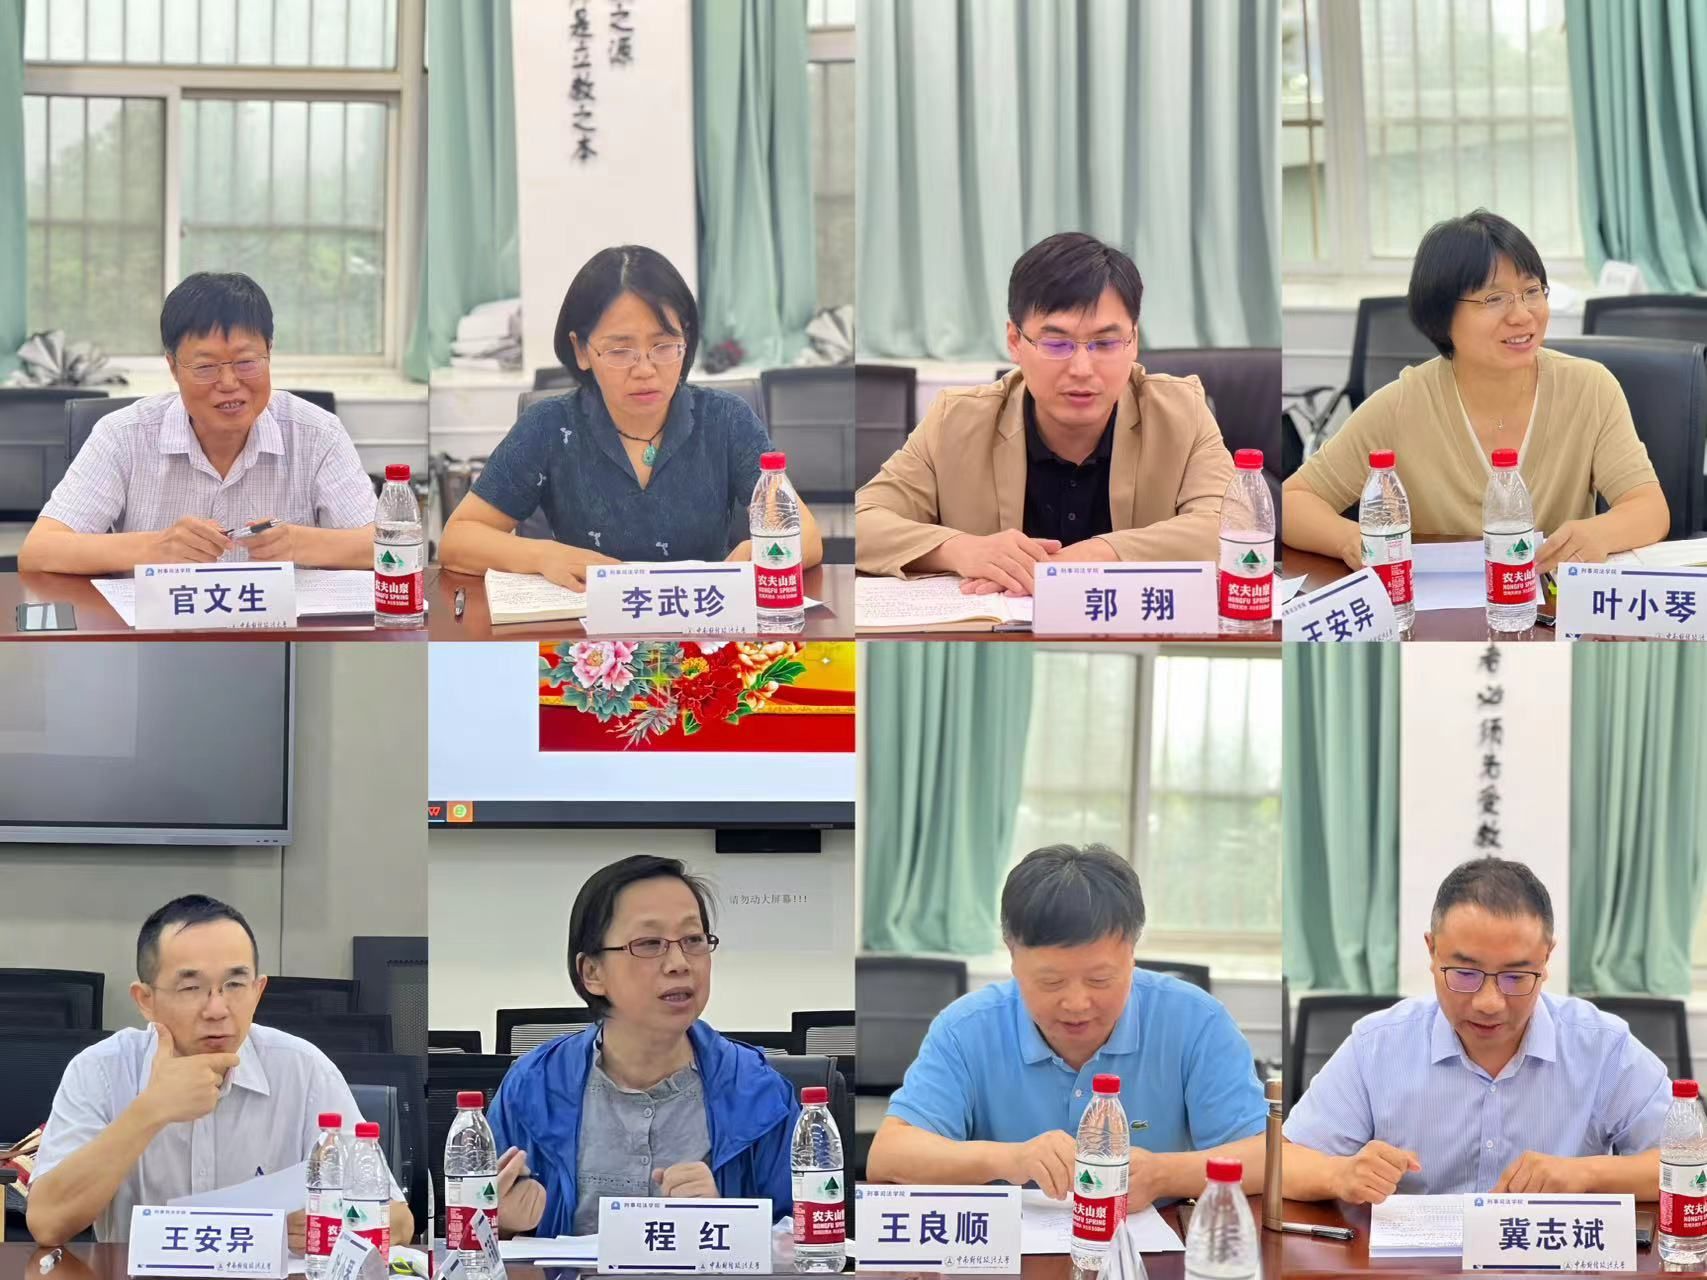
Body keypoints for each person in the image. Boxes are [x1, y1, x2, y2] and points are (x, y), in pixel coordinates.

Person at [865, 844, 1266, 1205]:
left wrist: (1163, 1175)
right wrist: (1010, 1159)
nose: (1077, 1004)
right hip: (1009, 1251)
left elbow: (1267, 1157)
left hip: (1149, 1248)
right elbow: (889, 1156)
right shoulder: (965, 1029)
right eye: (1051, 982)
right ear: (1012, 955)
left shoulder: (1196, 1022)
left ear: (1132, 952)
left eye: (1100, 980)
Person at [1282, 210, 1670, 575]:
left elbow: (1648, 507)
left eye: (1532, 291)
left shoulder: (1590, 388)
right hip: (1437, 610)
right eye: (1494, 298)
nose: (1522, 315)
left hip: (1553, 607)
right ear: (1441, 316)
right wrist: (1351, 539)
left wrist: (1600, 533)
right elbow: (1293, 502)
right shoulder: (1401, 405)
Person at [855, 233, 1234, 595]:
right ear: (1015, 341)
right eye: (1056, 343)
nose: (1082, 368)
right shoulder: (956, 419)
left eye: (1105, 343)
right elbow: (864, 520)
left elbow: (1232, 526)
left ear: (1133, 341)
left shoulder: (1182, 411)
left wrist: (1089, 558)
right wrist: (961, 549)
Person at [28, 895, 412, 1246]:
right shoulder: (100, 1070)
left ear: (258, 991)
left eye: (235, 984)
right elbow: (47, 1223)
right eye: (191, 988)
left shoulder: (302, 1069)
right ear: (145, 1000)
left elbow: (398, 1221)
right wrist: (151, 1110)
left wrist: (338, 1224)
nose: (216, 1009)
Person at [1284, 857, 1669, 1204]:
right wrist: (1340, 1174)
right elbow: (1284, 1162)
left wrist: (1587, 1174)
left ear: (1546, 958)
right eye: (1465, 974)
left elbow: (1691, 1166)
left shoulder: (1602, 1046)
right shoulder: (1377, 1045)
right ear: (1432, 951)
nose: (1489, 1003)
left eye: (1515, 977)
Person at [439, 246, 824, 588]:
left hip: (701, 622)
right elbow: (458, 540)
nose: (645, 369)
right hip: (588, 631)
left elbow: (806, 536)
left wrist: (759, 553)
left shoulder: (725, 418)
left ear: (686, 340)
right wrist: (542, 555)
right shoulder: (550, 426)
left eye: (664, 346)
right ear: (582, 350)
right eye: (620, 351)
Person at [486, 855, 800, 1237]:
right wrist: (502, 1226)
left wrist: (727, 1222)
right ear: (592, 972)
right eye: (650, 944)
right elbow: (468, 1231)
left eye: (693, 940)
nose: (679, 963)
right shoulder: (532, 1088)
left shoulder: (759, 1093)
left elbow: (808, 1239)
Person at [18, 272, 378, 575]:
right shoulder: (122, 435)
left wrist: (301, 543)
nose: (229, 383)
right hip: (156, 631)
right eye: (206, 367)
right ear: (173, 367)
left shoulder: (317, 433)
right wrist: (155, 548)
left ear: (269, 351)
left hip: (283, 632)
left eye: (246, 362)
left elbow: (386, 547)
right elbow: (39, 551)